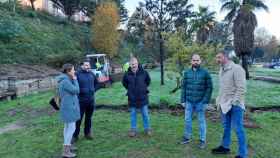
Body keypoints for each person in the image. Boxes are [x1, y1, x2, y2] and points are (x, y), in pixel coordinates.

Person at [211, 49, 247, 158]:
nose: (217, 59)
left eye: (219, 57)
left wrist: (233, 103)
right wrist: (218, 100)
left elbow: (241, 88)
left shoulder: (237, 69)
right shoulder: (221, 70)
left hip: (235, 105)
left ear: (226, 57)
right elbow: (222, 88)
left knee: (238, 128)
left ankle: (242, 154)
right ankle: (225, 147)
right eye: (217, 57)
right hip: (223, 104)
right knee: (226, 127)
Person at [180, 54, 213, 149]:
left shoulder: (205, 73)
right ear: (191, 61)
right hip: (189, 101)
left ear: (200, 61)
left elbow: (209, 87)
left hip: (200, 102)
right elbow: (183, 87)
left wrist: (205, 101)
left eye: (197, 60)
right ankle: (187, 137)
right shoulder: (186, 73)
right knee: (187, 120)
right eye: (194, 60)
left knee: (201, 121)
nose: (196, 62)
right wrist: (183, 100)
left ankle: (202, 140)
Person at [122, 57, 152, 137]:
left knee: (145, 114)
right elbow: (124, 83)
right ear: (130, 65)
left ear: (137, 63)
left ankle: (147, 129)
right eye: (132, 64)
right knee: (133, 115)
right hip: (132, 98)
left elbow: (148, 81)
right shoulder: (127, 74)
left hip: (143, 97)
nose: (134, 65)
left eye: (135, 63)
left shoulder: (144, 72)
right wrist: (130, 89)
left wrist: (143, 88)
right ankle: (133, 130)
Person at [72, 61, 100, 142]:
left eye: (89, 65)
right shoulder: (77, 74)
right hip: (81, 101)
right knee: (78, 119)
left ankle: (87, 133)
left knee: (88, 118)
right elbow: (73, 85)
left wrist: (93, 90)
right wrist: (78, 93)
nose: (88, 66)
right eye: (86, 65)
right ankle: (75, 135)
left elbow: (97, 83)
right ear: (82, 66)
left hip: (91, 100)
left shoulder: (91, 74)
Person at [57, 63, 80, 158]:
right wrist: (75, 80)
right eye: (73, 70)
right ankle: (66, 151)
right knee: (71, 128)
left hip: (67, 106)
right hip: (69, 107)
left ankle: (68, 146)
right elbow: (76, 90)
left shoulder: (64, 79)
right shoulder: (66, 81)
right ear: (68, 71)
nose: (74, 71)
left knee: (67, 127)